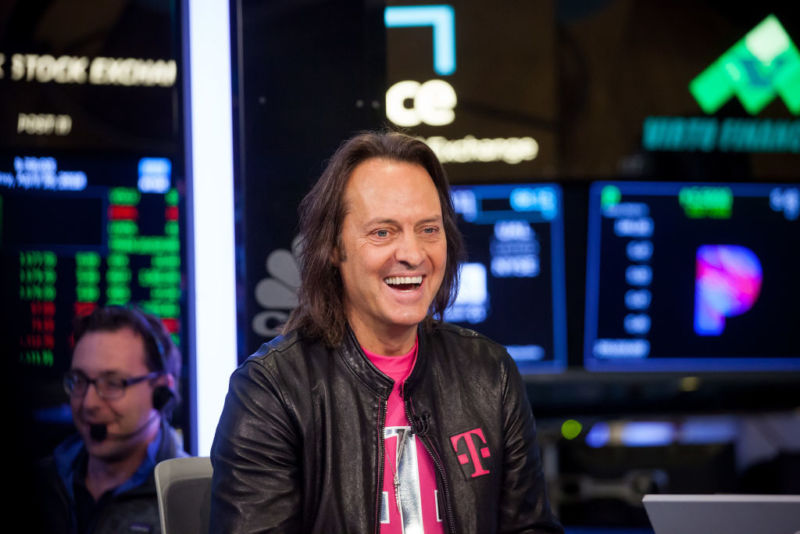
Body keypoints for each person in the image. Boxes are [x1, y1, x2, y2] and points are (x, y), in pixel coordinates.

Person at [210, 131, 564, 533]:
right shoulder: (270, 392)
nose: (413, 254)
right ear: (333, 247)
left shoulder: (490, 373)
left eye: (428, 230)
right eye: (383, 232)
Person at [37, 306, 187, 534]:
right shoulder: (41, 482)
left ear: (161, 392)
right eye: (79, 380)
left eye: (113, 383)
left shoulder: (191, 498)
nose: (88, 403)